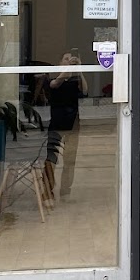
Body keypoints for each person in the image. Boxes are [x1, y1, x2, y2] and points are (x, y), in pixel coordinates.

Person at [44, 51, 87, 200]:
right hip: (56, 124)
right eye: (66, 59)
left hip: (73, 124)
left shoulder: (75, 78)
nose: (69, 61)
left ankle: (65, 192)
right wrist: (67, 71)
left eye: (71, 59)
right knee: (51, 158)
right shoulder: (54, 76)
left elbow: (85, 90)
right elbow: (54, 85)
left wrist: (79, 70)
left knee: (70, 160)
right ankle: (48, 191)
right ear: (60, 62)